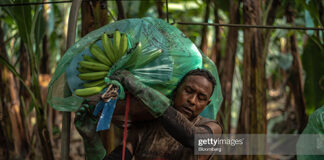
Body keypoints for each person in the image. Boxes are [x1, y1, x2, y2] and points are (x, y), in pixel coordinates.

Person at [75, 68, 223, 160]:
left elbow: (191, 138)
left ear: (207, 104)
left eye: (201, 98)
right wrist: (91, 142)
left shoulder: (212, 129)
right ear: (177, 90)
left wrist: (139, 88)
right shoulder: (145, 126)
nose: (192, 100)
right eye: (188, 91)